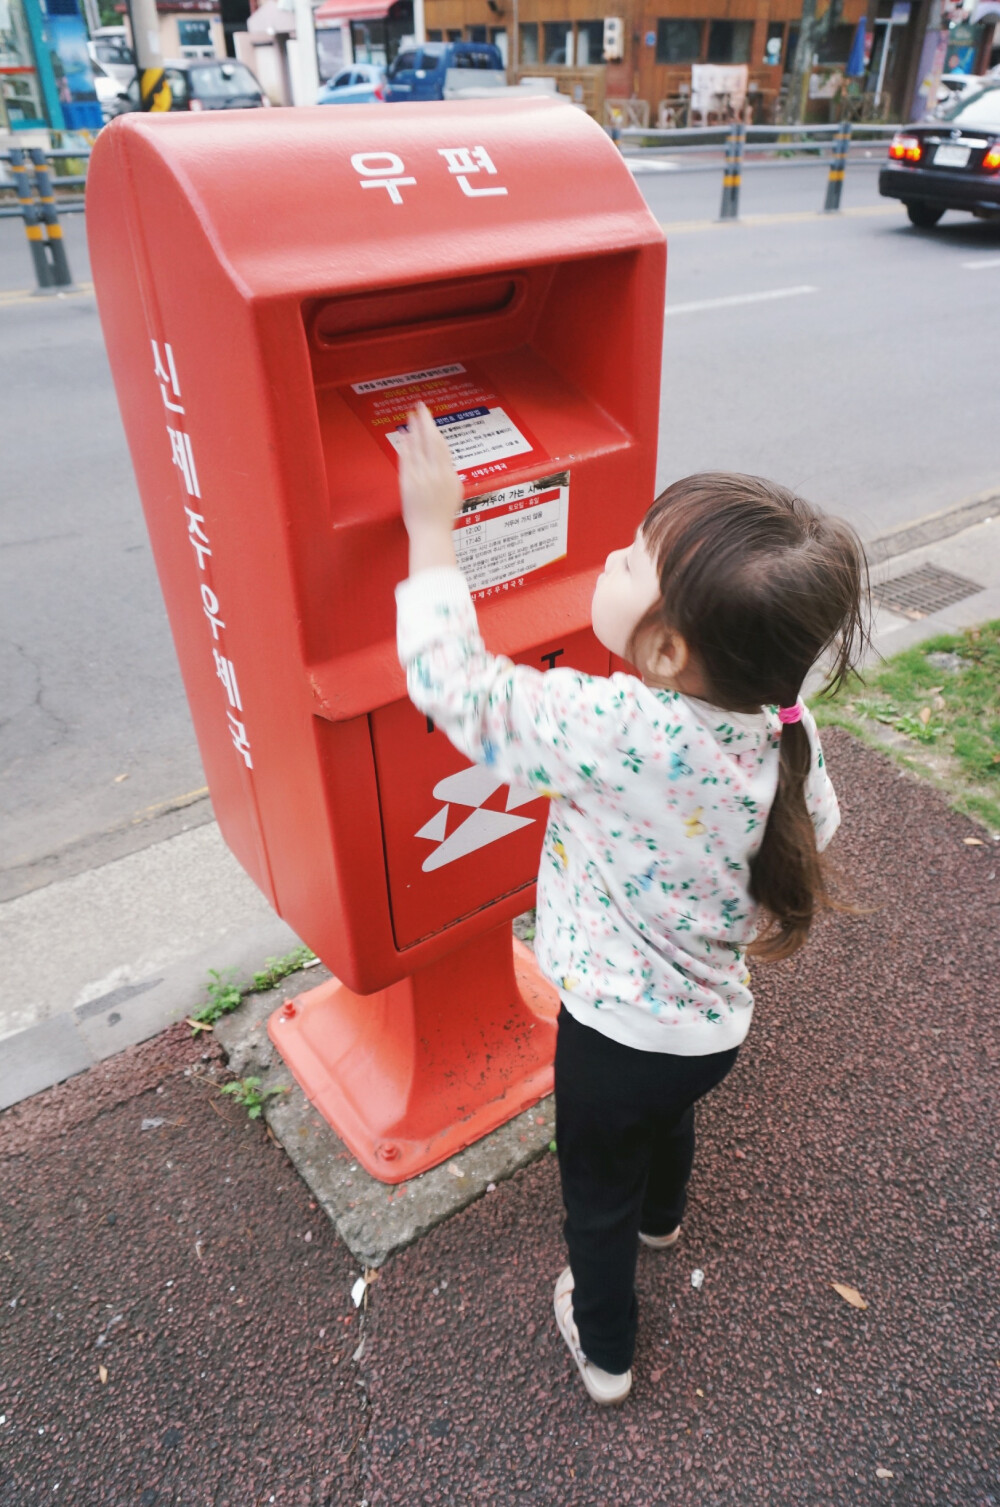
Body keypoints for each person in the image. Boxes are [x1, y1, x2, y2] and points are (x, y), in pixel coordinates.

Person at [394, 403, 869, 1406]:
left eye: (626, 559)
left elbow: (455, 685)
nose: (607, 558)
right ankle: (668, 1219)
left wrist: (431, 528)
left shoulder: (613, 724)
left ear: (664, 651)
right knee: (663, 1127)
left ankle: (604, 1347)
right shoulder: (786, 723)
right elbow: (813, 827)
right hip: (708, 1029)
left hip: (612, 1038)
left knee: (591, 1200)